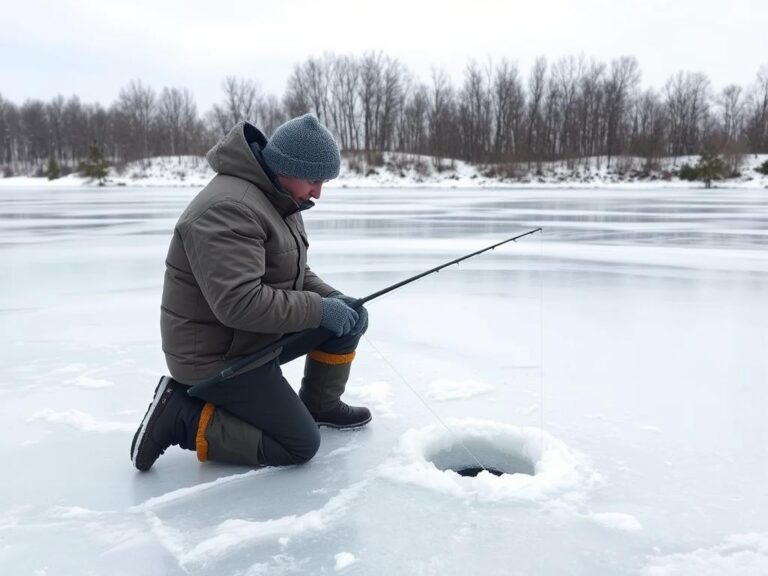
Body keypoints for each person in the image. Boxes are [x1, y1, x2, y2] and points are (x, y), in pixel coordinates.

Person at [130, 114, 370, 472]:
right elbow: (239, 304)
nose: (318, 192)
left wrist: (331, 299)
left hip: (249, 337)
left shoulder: (280, 197)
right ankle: (181, 415)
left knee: (350, 316)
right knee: (299, 445)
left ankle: (320, 404)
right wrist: (319, 310)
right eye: (314, 180)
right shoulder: (229, 209)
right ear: (285, 167)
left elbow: (294, 272)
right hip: (216, 358)